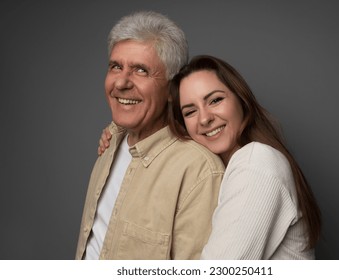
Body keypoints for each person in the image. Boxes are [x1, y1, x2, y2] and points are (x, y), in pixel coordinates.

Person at [99, 55, 322, 259]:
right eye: (190, 111)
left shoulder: (255, 162)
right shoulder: (231, 167)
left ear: (241, 101)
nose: (204, 119)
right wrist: (117, 130)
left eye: (215, 100)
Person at [75, 12, 225, 260]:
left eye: (141, 70)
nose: (121, 82)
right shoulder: (111, 141)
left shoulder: (199, 170)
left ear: (171, 89)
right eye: (116, 66)